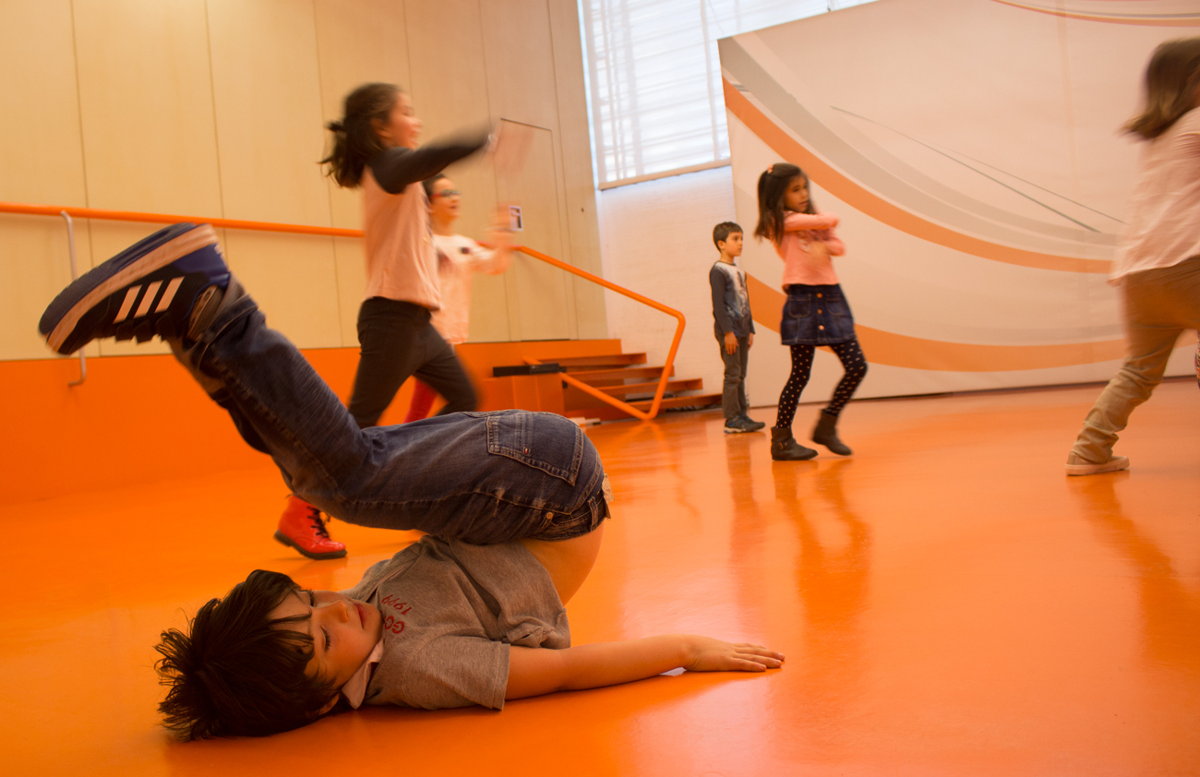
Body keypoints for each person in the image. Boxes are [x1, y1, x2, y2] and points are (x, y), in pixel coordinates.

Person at [37, 222, 784, 739]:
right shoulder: (424, 671)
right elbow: (565, 674)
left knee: (325, 472)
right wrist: (689, 646)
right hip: (552, 495)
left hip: (501, 495)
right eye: (325, 639)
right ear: (318, 703)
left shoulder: (340, 642)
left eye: (316, 601)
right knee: (343, 484)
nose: (343, 611)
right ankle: (207, 307)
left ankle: (191, 323)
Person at [276, 82, 491, 560]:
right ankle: (300, 511)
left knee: (466, 397)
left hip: (419, 324)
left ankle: (422, 484)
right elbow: (428, 156)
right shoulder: (386, 168)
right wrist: (483, 139)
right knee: (356, 424)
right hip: (390, 319)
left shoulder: (404, 179)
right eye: (406, 113)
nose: (415, 121)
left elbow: (428, 174)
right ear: (380, 126)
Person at [1067, 39, 1200, 475]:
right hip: (1189, 263)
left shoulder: (1160, 137)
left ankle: (1089, 451)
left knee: (1139, 370)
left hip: (1140, 274)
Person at [755, 163, 868, 462]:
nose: (804, 193)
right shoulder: (777, 220)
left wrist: (826, 247)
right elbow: (832, 219)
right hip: (802, 298)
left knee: (857, 366)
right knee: (800, 374)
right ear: (778, 195)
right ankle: (781, 441)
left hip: (831, 296)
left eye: (804, 187)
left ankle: (826, 426)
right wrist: (823, 226)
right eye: (795, 189)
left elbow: (839, 245)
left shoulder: (810, 220)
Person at [404, 174, 515, 422]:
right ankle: (406, 447)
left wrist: (502, 233)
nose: (454, 198)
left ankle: (405, 449)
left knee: (424, 405)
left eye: (455, 193)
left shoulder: (464, 245)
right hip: (422, 336)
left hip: (444, 340)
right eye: (445, 194)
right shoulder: (421, 242)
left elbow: (495, 264)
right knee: (460, 399)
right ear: (429, 204)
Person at [709, 221, 766, 434]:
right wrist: (728, 332)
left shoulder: (739, 272)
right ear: (721, 244)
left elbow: (746, 302)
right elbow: (718, 306)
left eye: (741, 238)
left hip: (742, 330)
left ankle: (742, 415)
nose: (740, 243)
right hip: (729, 331)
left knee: (741, 374)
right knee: (733, 374)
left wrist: (750, 329)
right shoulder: (718, 271)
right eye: (735, 239)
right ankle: (731, 419)